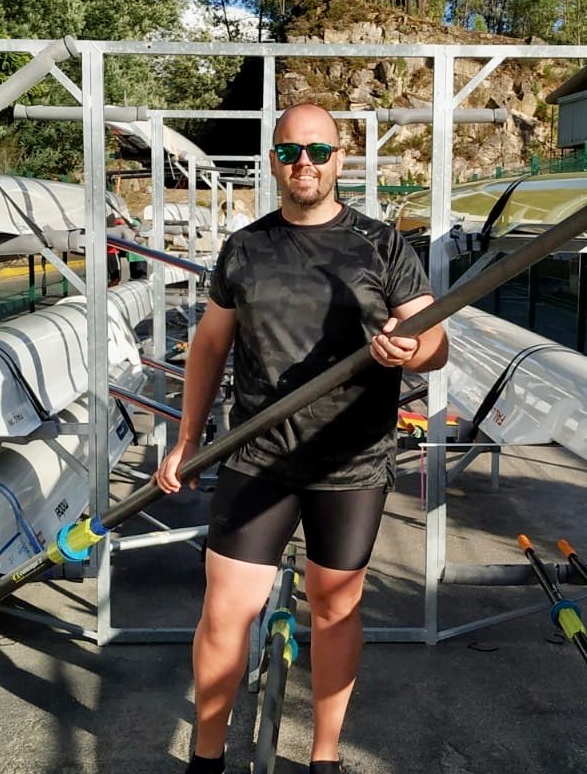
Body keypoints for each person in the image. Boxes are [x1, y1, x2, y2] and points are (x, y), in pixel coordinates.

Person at [156, 103, 448, 774]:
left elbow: (435, 340)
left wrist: (413, 350)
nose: (305, 164)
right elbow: (208, 346)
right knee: (226, 610)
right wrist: (186, 438)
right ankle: (206, 760)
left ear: (341, 159)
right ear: (273, 163)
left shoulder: (381, 245)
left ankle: (324, 758)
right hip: (257, 458)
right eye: (290, 153)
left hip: (351, 464)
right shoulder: (245, 248)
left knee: (334, 609)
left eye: (318, 151)